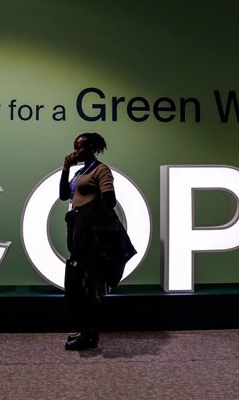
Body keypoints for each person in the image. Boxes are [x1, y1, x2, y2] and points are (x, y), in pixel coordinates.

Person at [59, 132, 134, 350]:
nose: (76, 151)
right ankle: (86, 331)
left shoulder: (101, 170)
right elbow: (64, 195)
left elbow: (109, 200)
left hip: (91, 235)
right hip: (77, 229)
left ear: (92, 148)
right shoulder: (80, 171)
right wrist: (65, 169)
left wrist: (86, 214)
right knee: (78, 284)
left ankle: (89, 334)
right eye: (75, 147)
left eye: (80, 147)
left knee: (87, 286)